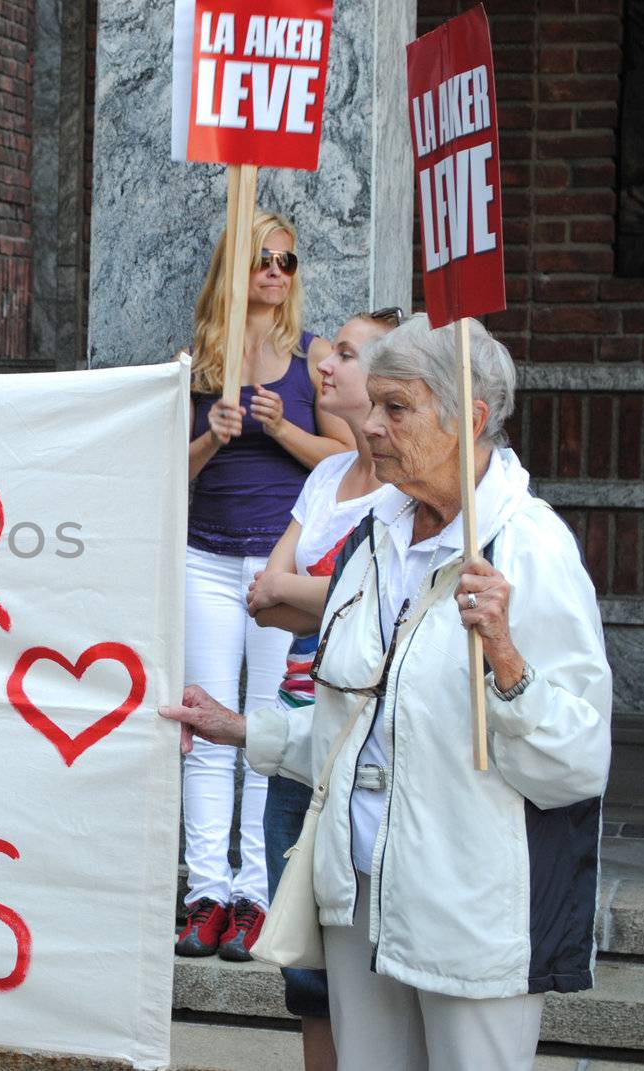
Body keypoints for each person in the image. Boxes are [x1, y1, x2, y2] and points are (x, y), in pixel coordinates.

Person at [162, 314, 612, 1071]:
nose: (368, 424)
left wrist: (505, 659)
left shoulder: (531, 549)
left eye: (394, 407)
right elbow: (356, 732)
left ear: (467, 417)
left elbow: (579, 760)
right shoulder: (374, 537)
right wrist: (241, 729)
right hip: (360, 896)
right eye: (372, 403)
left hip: (472, 911)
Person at [177, 210, 351, 961]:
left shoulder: (314, 360)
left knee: (261, 726)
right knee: (206, 730)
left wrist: (282, 429)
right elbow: (163, 474)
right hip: (204, 556)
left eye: (287, 260)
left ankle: (255, 893)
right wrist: (213, 434)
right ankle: (205, 890)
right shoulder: (196, 362)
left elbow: (348, 463)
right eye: (263, 258)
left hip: (278, 567)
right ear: (234, 267)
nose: (276, 272)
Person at [243, 307, 406, 1071]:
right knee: (306, 974)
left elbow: (373, 603)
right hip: (292, 732)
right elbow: (264, 596)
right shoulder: (327, 476)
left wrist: (304, 589)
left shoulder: (402, 494)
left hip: (354, 743)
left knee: (362, 963)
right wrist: (317, 588)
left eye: (346, 353)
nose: (325, 364)